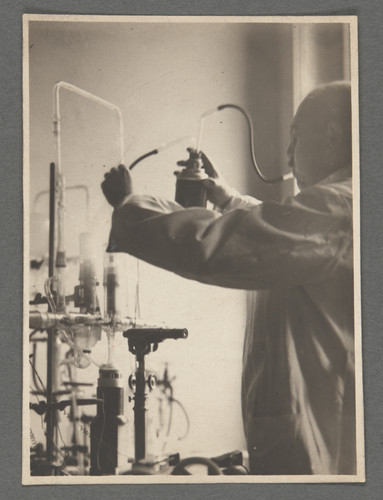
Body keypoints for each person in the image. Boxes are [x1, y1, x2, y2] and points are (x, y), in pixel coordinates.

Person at [101, 81, 355, 475]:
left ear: (333, 135)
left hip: (322, 447)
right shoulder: (341, 206)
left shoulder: (341, 206)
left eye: (294, 139)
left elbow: (216, 245)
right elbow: (281, 233)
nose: (287, 154)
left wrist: (131, 205)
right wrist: (227, 199)